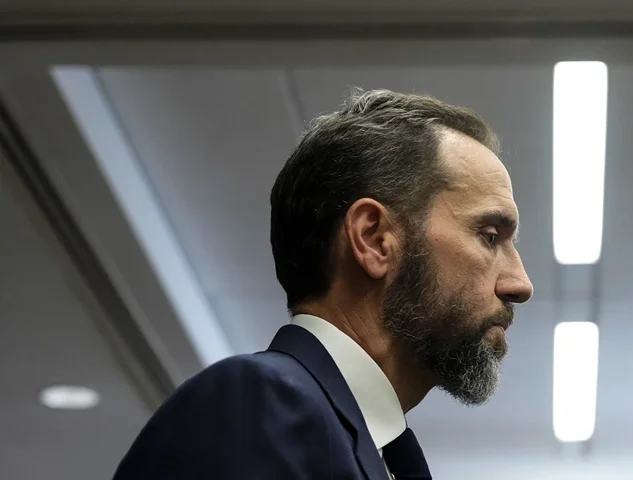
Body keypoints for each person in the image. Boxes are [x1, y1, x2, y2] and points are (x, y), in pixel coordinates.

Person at [113, 89, 533, 480]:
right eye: (489, 236)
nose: (521, 284)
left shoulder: (362, 447)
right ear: (374, 239)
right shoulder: (263, 406)